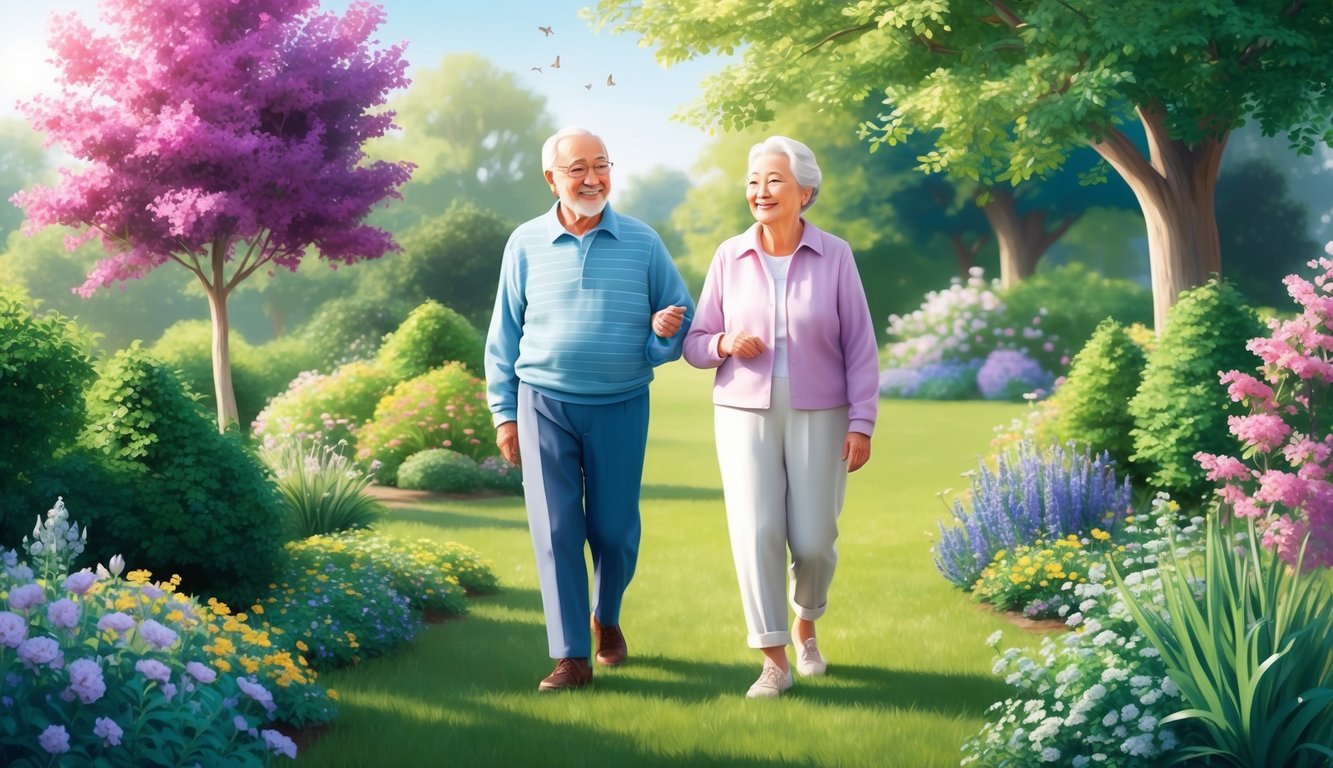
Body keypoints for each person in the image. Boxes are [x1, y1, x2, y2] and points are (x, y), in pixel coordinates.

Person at [485, 126, 695, 692]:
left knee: (615, 530)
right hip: (542, 402)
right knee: (555, 531)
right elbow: (503, 334)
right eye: (577, 168)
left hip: (622, 402)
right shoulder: (524, 243)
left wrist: (660, 335)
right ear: (552, 178)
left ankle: (607, 615)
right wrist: (504, 413)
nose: (592, 177)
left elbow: (680, 315)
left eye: (601, 165)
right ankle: (571, 655)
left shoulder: (644, 243)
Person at [683, 135, 879, 698]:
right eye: (753, 181)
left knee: (814, 539)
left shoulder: (836, 254)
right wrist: (723, 342)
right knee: (758, 531)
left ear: (805, 192)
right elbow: (695, 344)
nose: (760, 190)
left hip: (824, 409)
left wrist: (862, 422)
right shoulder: (729, 255)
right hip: (743, 410)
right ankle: (773, 659)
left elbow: (860, 344)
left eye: (773, 180)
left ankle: (806, 622)